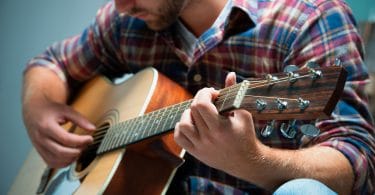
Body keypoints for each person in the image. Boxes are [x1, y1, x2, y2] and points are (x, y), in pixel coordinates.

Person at [22, 0, 375, 194]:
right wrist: (39, 108)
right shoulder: (124, 23)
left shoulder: (307, 18)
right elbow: (50, 63)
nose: (122, 6)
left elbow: (353, 159)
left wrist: (251, 160)